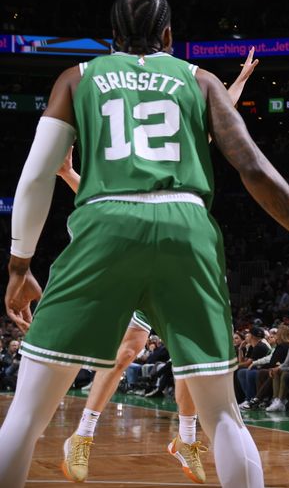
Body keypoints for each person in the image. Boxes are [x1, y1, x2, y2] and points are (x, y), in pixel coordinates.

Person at [1, 0, 289, 488]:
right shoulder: (201, 80)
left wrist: (20, 266)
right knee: (225, 417)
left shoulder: (77, 78)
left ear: (112, 40)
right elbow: (253, 168)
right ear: (169, 36)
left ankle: (88, 432)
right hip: (186, 228)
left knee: (26, 414)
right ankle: (147, 433)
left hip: (106, 223)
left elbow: (35, 178)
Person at [52, 46, 260, 484]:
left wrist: (238, 83)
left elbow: (220, 110)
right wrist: (71, 176)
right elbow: (109, 202)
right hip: (142, 246)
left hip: (183, 249)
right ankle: (83, 433)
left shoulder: (188, 140)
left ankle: (186, 440)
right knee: (127, 349)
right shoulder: (128, 146)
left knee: (192, 358)